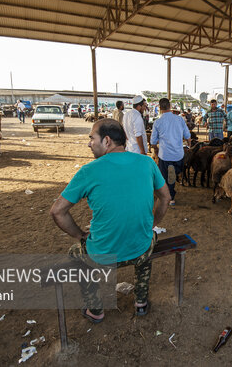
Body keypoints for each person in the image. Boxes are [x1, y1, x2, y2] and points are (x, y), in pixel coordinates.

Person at [50, 119, 171, 322]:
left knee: (76, 253)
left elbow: (57, 212)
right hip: (141, 249)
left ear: (106, 141)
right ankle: (141, 302)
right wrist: (151, 224)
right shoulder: (147, 162)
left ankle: (95, 309)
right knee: (146, 240)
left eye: (91, 138)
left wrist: (81, 235)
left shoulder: (89, 171)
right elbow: (165, 198)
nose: (89, 143)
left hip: (103, 255)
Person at [150, 98, 191, 206]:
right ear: (170, 106)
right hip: (178, 155)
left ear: (159, 108)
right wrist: (189, 145)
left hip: (165, 155)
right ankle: (171, 195)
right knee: (172, 175)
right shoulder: (180, 119)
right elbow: (188, 136)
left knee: (166, 176)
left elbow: (153, 141)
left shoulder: (157, 122)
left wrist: (156, 148)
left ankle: (169, 196)